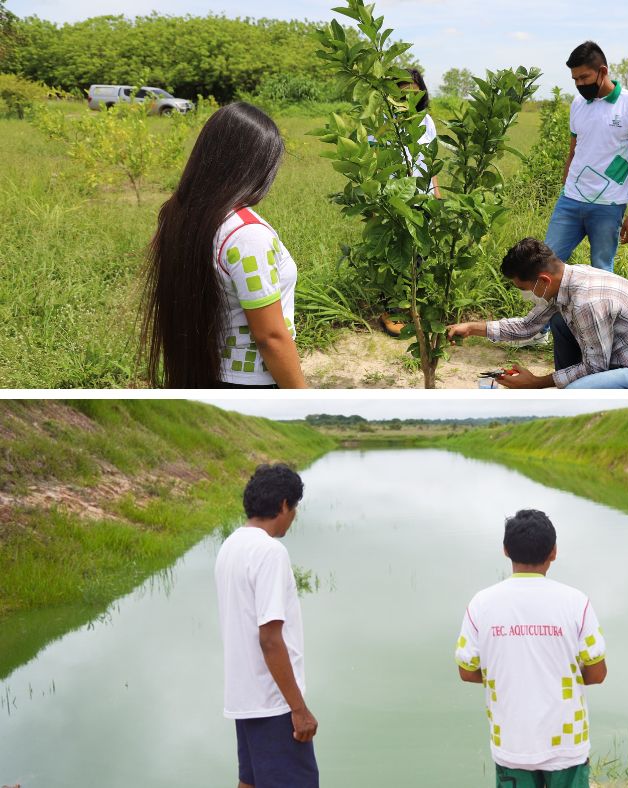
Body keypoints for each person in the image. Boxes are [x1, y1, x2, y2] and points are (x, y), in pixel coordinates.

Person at [141, 102, 306, 388]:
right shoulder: (247, 235)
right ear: (254, 168)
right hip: (253, 382)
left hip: (205, 371)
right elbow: (270, 337)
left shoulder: (180, 213)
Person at [455, 509, 607, 788]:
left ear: (505, 550)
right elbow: (597, 674)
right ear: (554, 552)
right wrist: (558, 675)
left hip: (512, 743)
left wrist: (507, 674)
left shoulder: (481, 604)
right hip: (566, 744)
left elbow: (466, 671)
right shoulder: (576, 603)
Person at [446, 237, 628, 389]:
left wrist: (537, 383)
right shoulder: (565, 281)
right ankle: (573, 396)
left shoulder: (586, 302)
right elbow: (526, 327)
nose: (523, 294)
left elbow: (595, 367)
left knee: (575, 393)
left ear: (542, 280)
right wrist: (472, 328)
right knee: (560, 321)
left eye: (523, 288)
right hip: (624, 361)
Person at [215, 464, 319, 788]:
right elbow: (270, 639)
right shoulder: (270, 551)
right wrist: (299, 709)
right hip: (274, 704)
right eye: (295, 508)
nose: (294, 516)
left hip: (245, 701)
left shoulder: (230, 546)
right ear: (284, 505)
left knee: (249, 782)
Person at [545, 41, 628, 272]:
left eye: (584, 78)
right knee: (547, 265)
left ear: (602, 71)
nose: (580, 85)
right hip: (570, 200)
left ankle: (600, 310)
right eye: (575, 80)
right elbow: (574, 152)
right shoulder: (578, 103)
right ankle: (553, 310)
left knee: (602, 271)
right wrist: (565, 190)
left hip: (609, 204)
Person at [380, 67, 442, 337]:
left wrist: (437, 195)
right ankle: (391, 311)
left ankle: (414, 308)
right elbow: (375, 162)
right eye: (402, 93)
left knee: (420, 256)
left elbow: (431, 162)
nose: (408, 99)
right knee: (396, 256)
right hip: (397, 199)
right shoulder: (385, 121)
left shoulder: (426, 121)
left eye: (413, 93)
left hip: (424, 198)